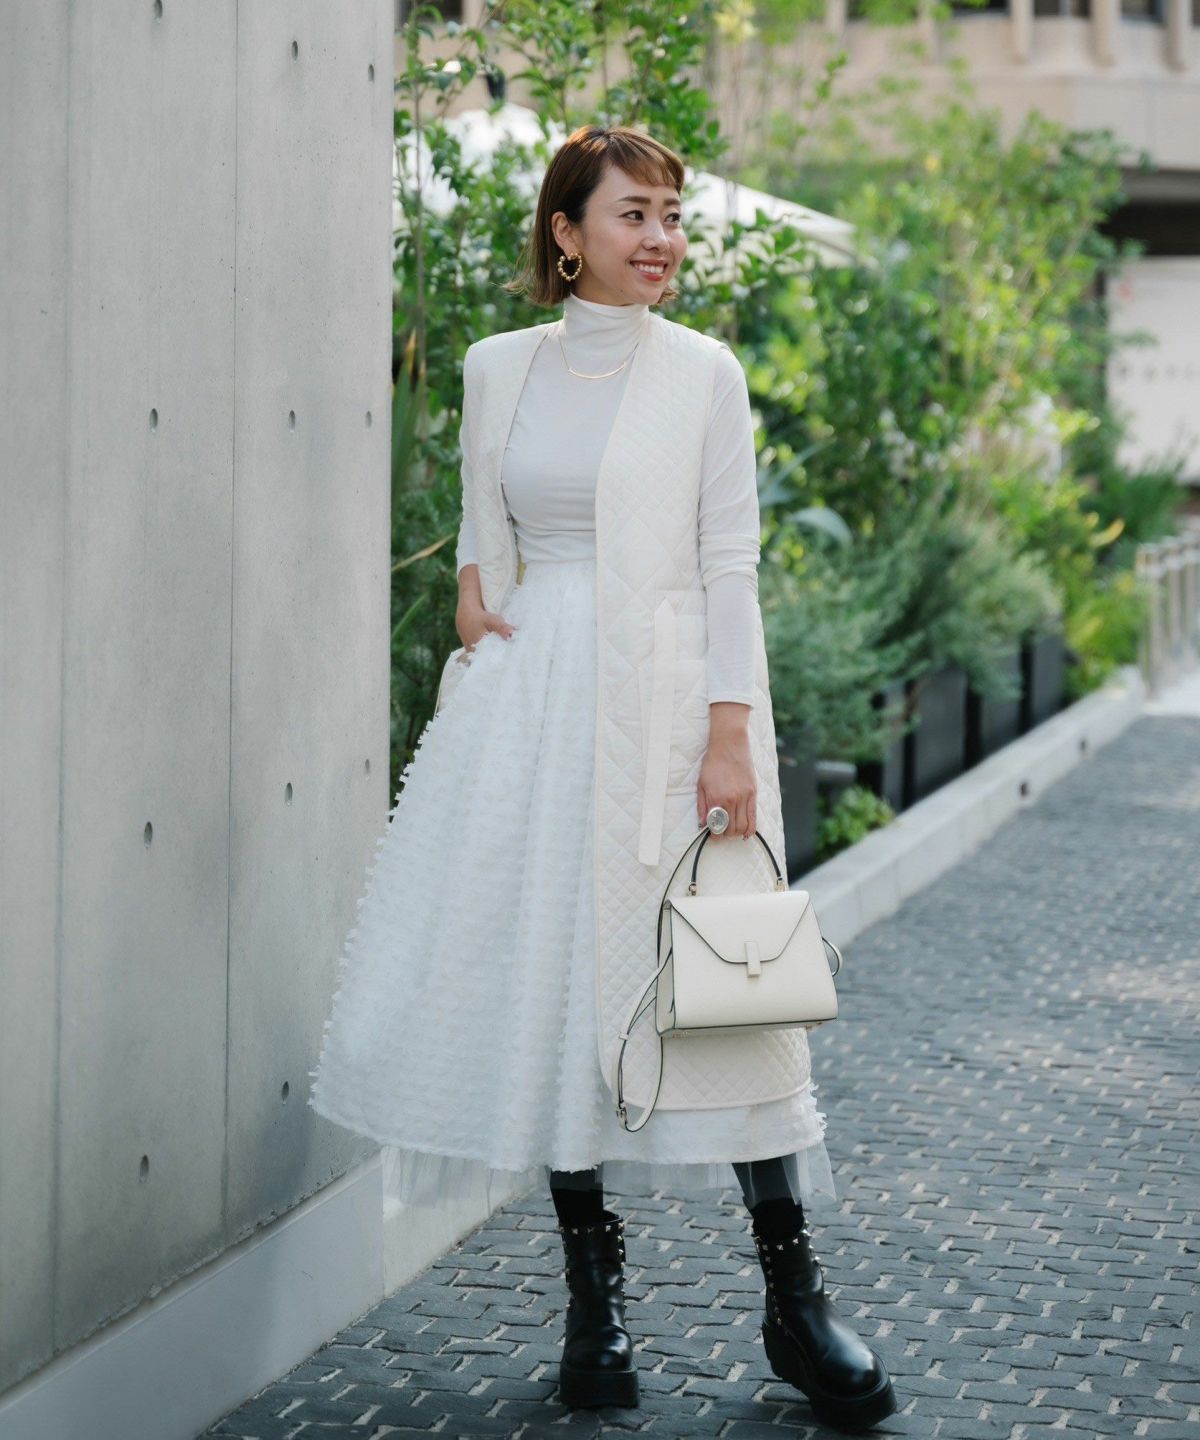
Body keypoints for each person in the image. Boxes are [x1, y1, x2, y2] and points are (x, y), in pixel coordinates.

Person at [308, 123, 895, 1431]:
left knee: (729, 998)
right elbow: (485, 540)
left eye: (670, 216)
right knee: (559, 993)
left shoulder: (703, 374)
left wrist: (731, 733)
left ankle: (794, 1304)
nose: (661, 239)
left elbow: (731, 560)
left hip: (671, 707)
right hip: (531, 716)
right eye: (634, 215)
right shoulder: (496, 366)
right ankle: (594, 1302)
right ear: (566, 234)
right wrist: (477, 603)